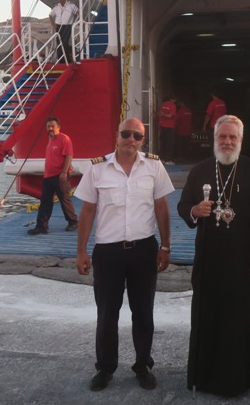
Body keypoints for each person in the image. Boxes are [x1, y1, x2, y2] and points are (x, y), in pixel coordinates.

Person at [74, 118, 174, 393]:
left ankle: (143, 365)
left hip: (144, 250)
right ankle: (105, 368)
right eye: (126, 134)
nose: (131, 139)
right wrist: (81, 251)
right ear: (116, 135)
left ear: (143, 140)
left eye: (137, 136)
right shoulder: (96, 169)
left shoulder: (154, 166)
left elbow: (162, 207)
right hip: (108, 252)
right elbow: (87, 211)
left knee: (143, 312)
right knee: (107, 314)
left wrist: (165, 246)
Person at [176, 115, 250, 397]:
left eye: (233, 137)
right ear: (214, 139)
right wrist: (194, 211)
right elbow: (183, 204)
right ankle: (203, 378)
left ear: (241, 140)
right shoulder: (200, 170)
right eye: (222, 137)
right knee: (206, 317)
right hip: (208, 259)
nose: (227, 142)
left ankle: (235, 381)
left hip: (242, 261)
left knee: (237, 321)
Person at [28, 117, 79, 235]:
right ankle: (42, 226)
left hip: (60, 175)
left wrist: (64, 173)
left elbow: (69, 156)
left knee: (64, 199)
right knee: (45, 201)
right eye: (48, 126)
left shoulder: (64, 139)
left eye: (52, 126)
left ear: (58, 127)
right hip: (48, 176)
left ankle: (73, 221)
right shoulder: (51, 139)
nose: (50, 128)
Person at [48, 0, 79, 64]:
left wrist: (76, 21)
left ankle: (67, 58)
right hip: (58, 26)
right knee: (59, 43)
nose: (61, 0)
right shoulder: (56, 7)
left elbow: (78, 12)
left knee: (64, 42)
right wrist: (53, 23)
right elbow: (50, 15)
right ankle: (61, 59)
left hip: (67, 25)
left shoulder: (71, 5)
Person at [158, 94, 177, 164]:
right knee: (170, 143)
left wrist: (161, 119)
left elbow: (159, 114)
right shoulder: (173, 105)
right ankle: (168, 160)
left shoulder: (163, 104)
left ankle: (162, 158)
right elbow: (170, 116)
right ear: (174, 99)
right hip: (170, 127)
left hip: (162, 126)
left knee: (163, 143)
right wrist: (164, 115)